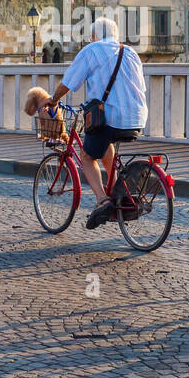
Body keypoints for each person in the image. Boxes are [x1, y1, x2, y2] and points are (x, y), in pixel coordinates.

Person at [44, 16, 147, 229]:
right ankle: (119, 192)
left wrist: (53, 100)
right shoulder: (131, 52)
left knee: (87, 156)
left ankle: (103, 199)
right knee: (105, 142)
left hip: (111, 116)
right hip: (137, 117)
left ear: (94, 36)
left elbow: (69, 82)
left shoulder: (91, 50)